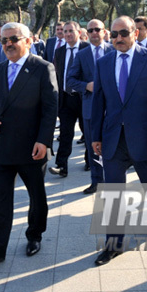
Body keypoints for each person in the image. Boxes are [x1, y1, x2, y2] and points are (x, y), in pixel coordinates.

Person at [0, 22, 58, 263]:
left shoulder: (42, 68)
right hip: (2, 146)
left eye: (14, 39)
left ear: (28, 41)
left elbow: (50, 109)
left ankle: (34, 235)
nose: (8, 44)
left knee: (36, 196)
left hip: (32, 146)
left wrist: (44, 141)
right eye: (4, 40)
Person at [91, 16, 147, 266]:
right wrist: (95, 137)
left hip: (146, 138)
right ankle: (113, 244)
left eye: (123, 33)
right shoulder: (103, 62)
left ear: (135, 33)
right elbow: (98, 103)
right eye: (114, 35)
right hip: (113, 138)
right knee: (113, 192)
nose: (118, 39)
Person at [67, 19, 113, 194]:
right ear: (87, 33)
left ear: (104, 31)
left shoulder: (114, 50)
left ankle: (112, 180)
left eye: (97, 29)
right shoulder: (81, 55)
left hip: (113, 108)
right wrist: (86, 86)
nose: (94, 33)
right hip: (90, 107)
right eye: (91, 30)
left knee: (113, 145)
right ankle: (96, 181)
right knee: (93, 146)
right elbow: (70, 80)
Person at [49, 21, 89, 177]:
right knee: (66, 134)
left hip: (84, 97)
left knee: (88, 132)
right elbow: (58, 75)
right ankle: (61, 165)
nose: (67, 34)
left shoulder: (86, 49)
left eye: (71, 31)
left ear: (79, 32)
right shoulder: (59, 52)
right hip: (66, 99)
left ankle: (89, 161)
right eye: (65, 31)